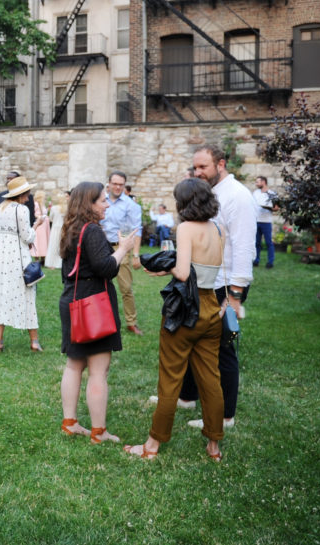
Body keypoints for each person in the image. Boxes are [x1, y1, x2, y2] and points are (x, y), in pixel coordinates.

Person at [124, 178, 225, 462]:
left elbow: (182, 272)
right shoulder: (219, 229)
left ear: (184, 203)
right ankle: (214, 446)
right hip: (212, 305)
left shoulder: (186, 228)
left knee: (170, 379)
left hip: (185, 308)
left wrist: (163, 268)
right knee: (211, 378)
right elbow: (216, 270)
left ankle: (152, 445)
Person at [177, 144, 256, 431]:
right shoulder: (210, 193)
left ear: (220, 164)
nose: (197, 173)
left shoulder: (238, 197)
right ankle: (186, 397)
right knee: (191, 338)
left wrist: (234, 297)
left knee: (223, 350)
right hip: (204, 283)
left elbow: (245, 248)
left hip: (226, 286)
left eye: (203, 167)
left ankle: (225, 416)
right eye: (195, 167)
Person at [58, 182, 136, 443]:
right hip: (94, 305)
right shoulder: (92, 231)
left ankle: (70, 422)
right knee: (98, 371)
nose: (107, 204)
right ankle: (98, 431)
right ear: (89, 204)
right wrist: (123, 249)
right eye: (102, 200)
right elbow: (106, 268)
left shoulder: (71, 227)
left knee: (73, 365)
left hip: (73, 301)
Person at [0, 176, 42, 352]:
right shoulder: (22, 210)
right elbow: (28, 236)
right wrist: (37, 225)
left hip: (1, 257)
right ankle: (34, 341)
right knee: (26, 293)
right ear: (23, 193)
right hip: (18, 257)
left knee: (0, 294)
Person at [101, 171, 144, 336]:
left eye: (121, 184)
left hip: (121, 248)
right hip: (101, 247)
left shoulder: (130, 205)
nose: (118, 187)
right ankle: (103, 320)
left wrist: (135, 254)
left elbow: (137, 230)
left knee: (125, 287)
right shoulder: (100, 200)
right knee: (100, 286)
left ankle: (131, 322)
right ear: (109, 184)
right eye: (115, 184)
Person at [252, 176, 277, 268]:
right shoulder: (255, 193)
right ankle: (256, 260)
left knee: (268, 243)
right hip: (256, 221)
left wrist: (268, 207)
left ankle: (270, 262)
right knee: (256, 243)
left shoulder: (272, 194)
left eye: (257, 182)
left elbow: (277, 208)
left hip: (266, 222)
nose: (256, 184)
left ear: (263, 182)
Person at [44, 191, 67, 269]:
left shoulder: (54, 208)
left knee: (53, 245)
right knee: (61, 246)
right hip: (63, 228)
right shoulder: (66, 208)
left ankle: (52, 264)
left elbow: (50, 218)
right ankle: (61, 263)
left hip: (55, 228)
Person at [31, 191, 50, 261]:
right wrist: (39, 217)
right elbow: (33, 213)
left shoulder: (43, 204)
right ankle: (37, 258)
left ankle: (43, 258)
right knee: (38, 240)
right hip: (39, 225)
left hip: (45, 225)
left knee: (44, 240)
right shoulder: (36, 204)